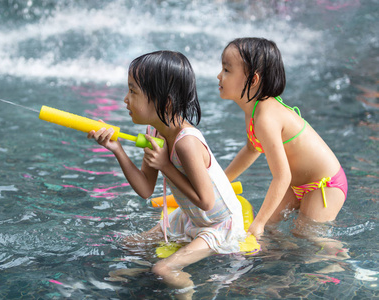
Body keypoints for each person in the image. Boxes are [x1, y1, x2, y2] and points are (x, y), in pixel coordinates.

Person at [88, 50, 245, 297]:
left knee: (164, 269)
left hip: (220, 224)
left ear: (166, 102)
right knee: (130, 245)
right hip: (190, 217)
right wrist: (116, 149)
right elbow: (145, 190)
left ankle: (187, 290)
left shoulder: (186, 142)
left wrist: (166, 166)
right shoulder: (155, 132)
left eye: (133, 91)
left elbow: (207, 201)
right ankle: (142, 273)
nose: (125, 99)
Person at [217, 38, 348, 245]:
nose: (219, 76)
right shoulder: (252, 111)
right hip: (295, 184)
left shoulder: (266, 118)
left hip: (323, 185)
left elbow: (282, 176)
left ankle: (341, 263)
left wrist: (257, 223)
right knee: (271, 228)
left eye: (226, 70)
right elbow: (252, 149)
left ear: (253, 80)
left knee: (307, 236)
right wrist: (221, 182)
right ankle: (281, 268)